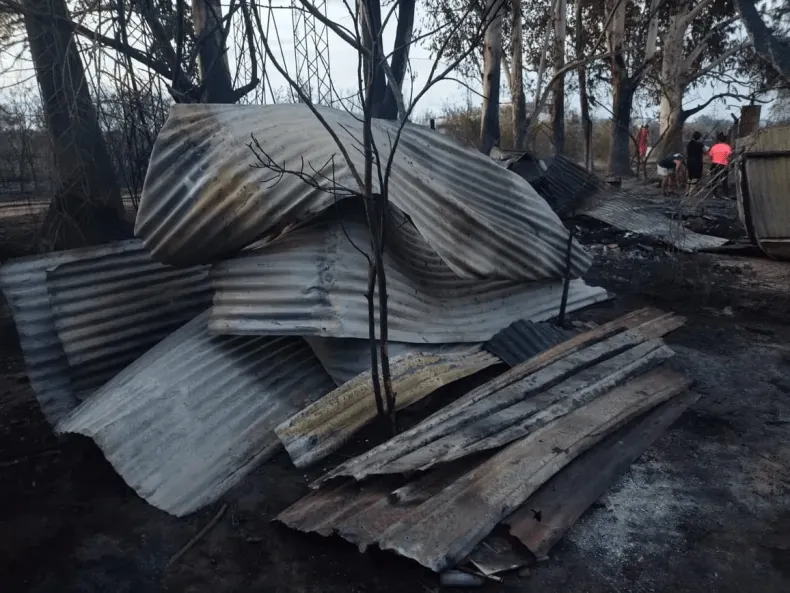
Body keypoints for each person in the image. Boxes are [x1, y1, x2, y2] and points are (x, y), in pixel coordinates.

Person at [709, 132, 733, 198]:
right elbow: (729, 157)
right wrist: (729, 161)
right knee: (724, 180)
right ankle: (726, 194)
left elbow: (710, 156)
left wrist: (715, 159)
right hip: (723, 165)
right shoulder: (727, 147)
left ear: (718, 140)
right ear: (725, 140)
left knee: (714, 180)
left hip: (714, 165)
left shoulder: (714, 147)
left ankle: (714, 194)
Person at [685, 131, 706, 195]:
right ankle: (691, 192)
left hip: (689, 161)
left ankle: (687, 192)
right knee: (695, 177)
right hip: (697, 162)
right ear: (699, 137)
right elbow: (705, 152)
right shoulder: (700, 144)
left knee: (689, 177)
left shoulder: (689, 144)